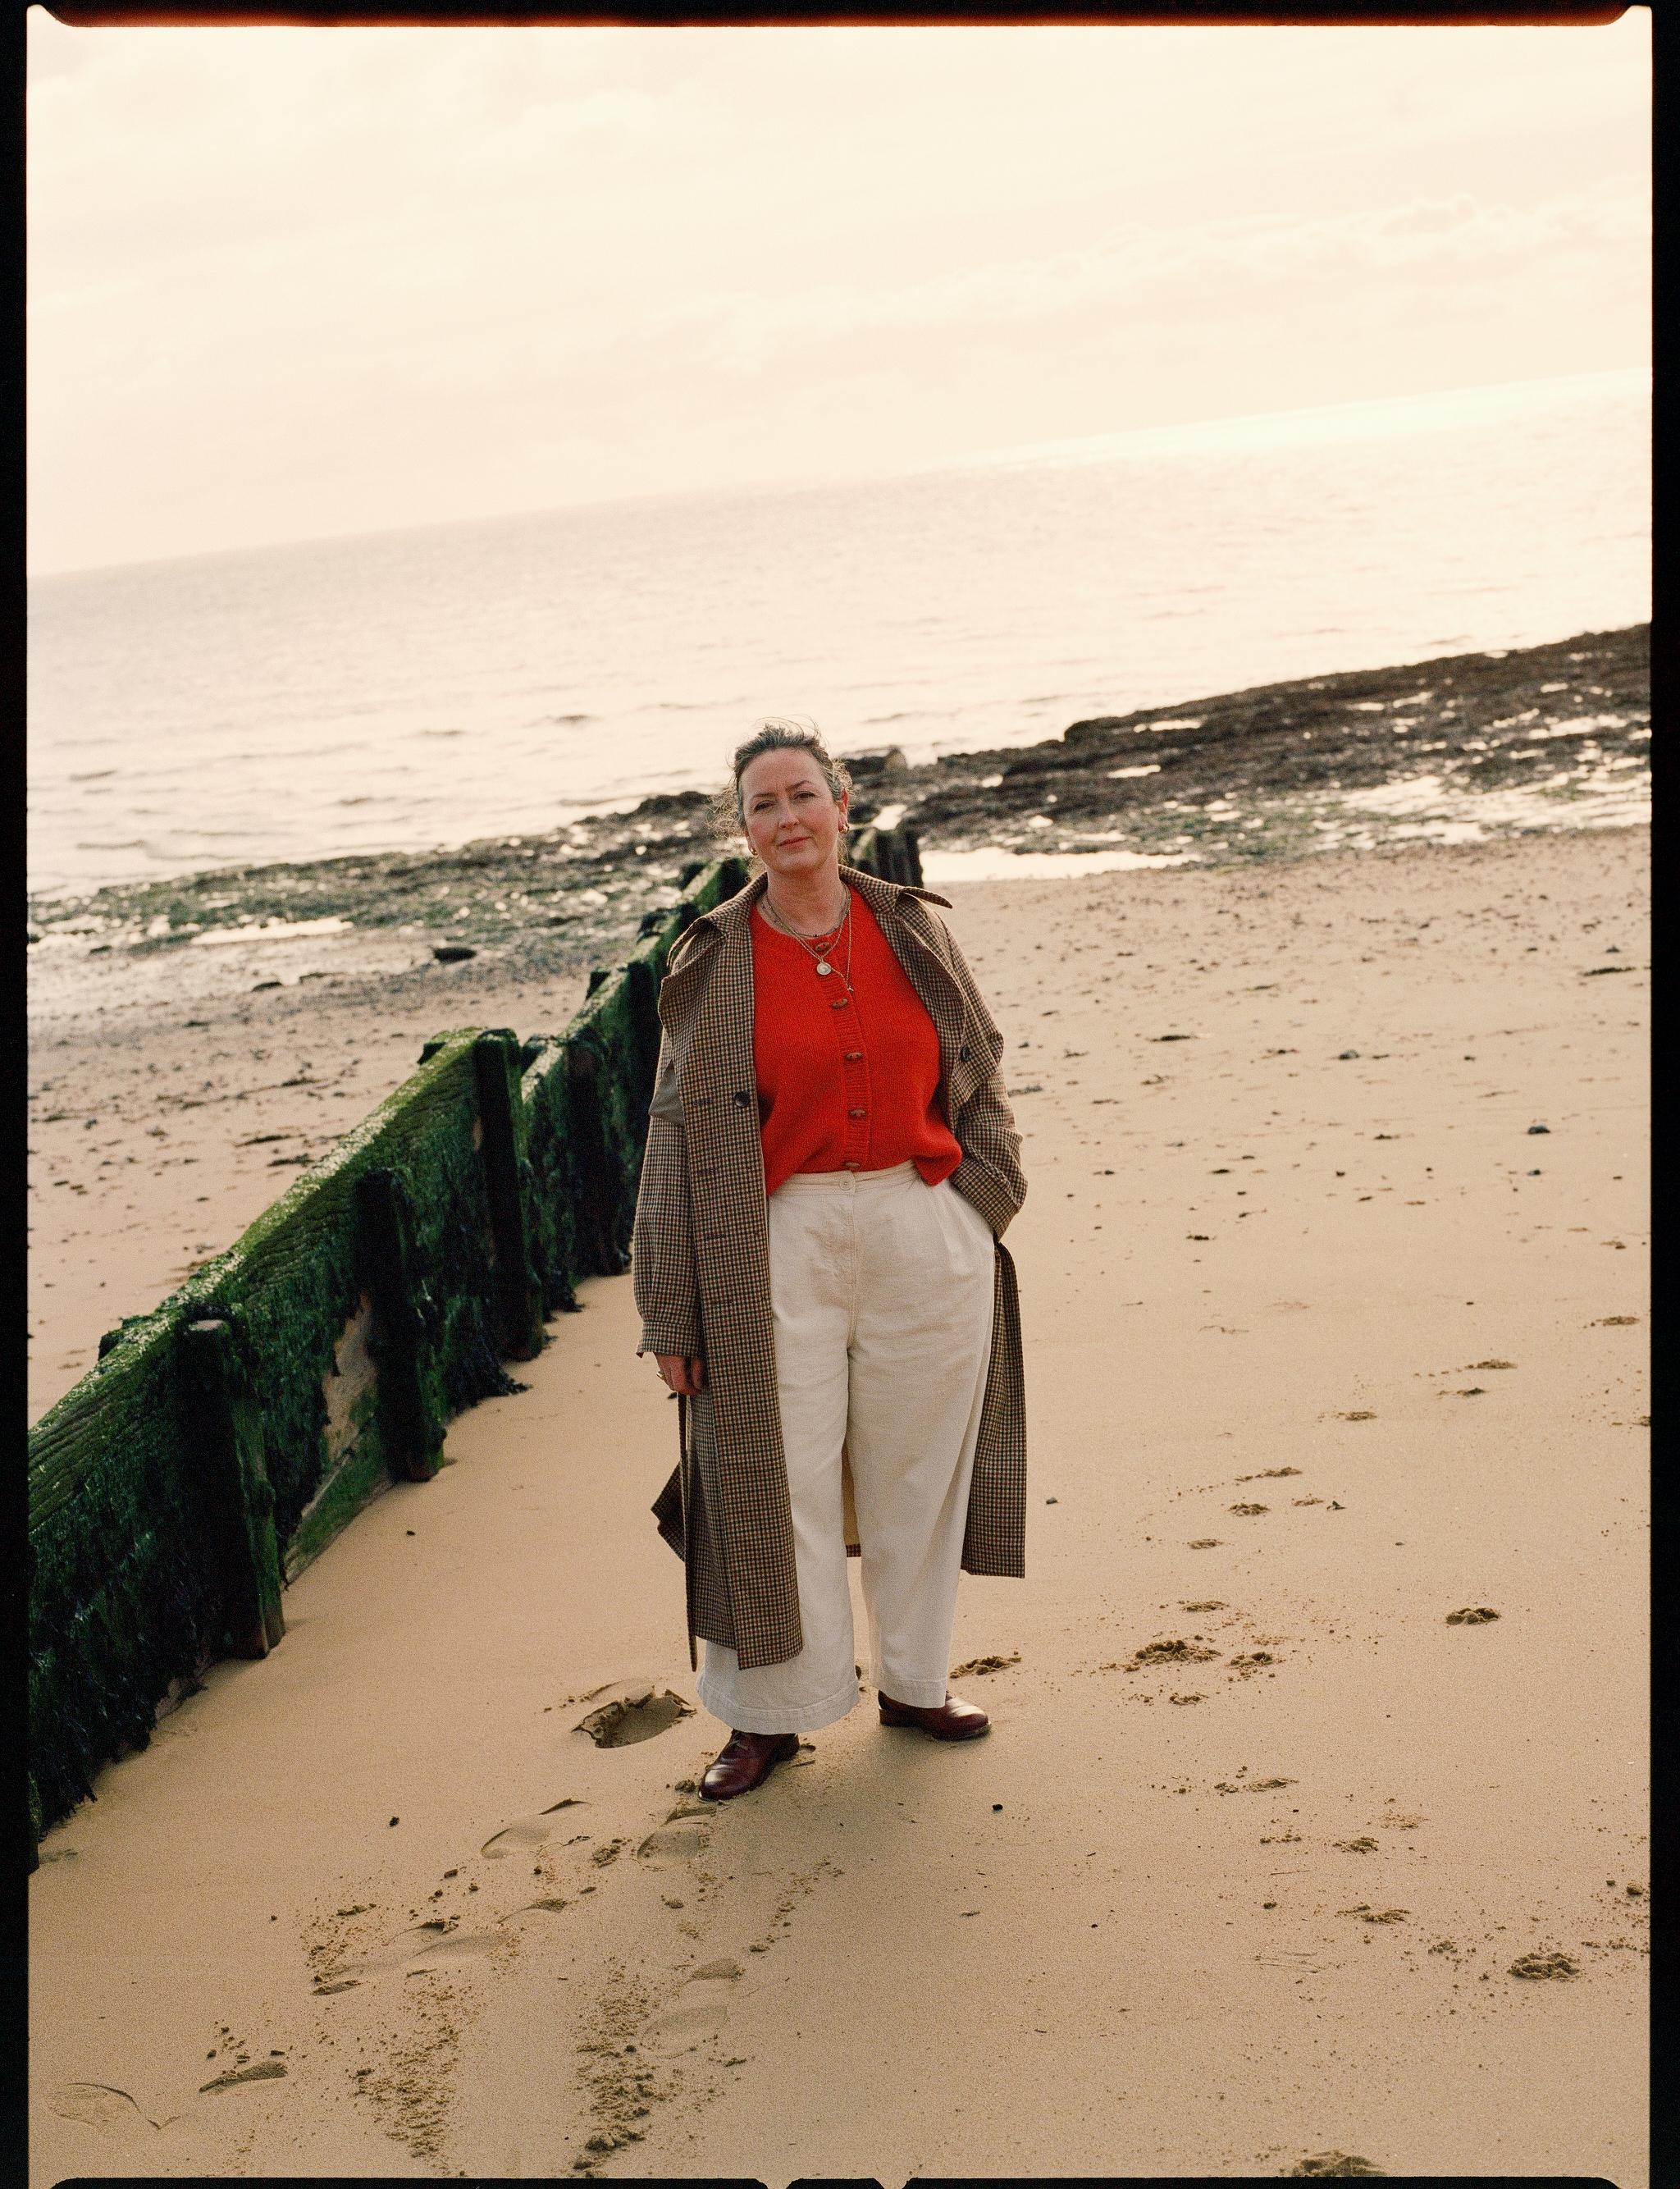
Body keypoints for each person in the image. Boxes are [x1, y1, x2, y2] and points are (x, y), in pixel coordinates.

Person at [631, 718, 1028, 1801]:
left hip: (923, 1222)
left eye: (804, 795)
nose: (788, 818)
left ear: (842, 805)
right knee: (772, 1477)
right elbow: (671, 1135)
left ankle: (914, 1682)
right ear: (744, 829)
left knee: (917, 1469)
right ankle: (768, 1717)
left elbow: (980, 1067)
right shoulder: (714, 958)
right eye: (764, 804)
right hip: (775, 1240)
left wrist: (981, 1202)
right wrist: (670, 1314)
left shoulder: (909, 929)